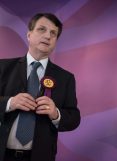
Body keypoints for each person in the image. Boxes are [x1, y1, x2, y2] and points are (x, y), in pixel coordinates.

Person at [0, 13, 80, 161]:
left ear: (56, 41)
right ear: (29, 35)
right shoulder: (2, 67)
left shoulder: (66, 78)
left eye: (53, 33)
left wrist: (56, 113)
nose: (48, 36)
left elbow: (74, 118)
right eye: (41, 29)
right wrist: (10, 103)